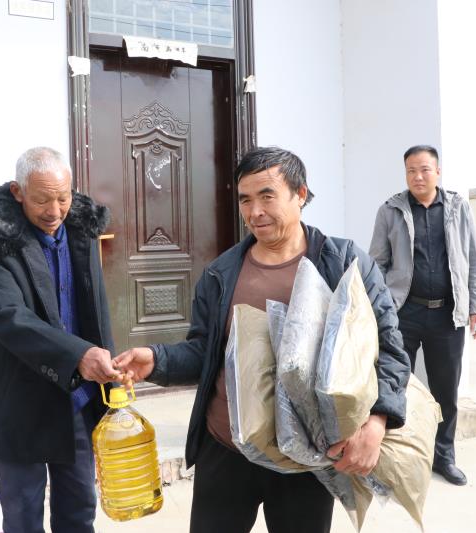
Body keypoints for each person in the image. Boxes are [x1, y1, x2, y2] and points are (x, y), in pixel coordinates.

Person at [113, 146, 410, 533]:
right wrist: (157, 360)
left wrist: (377, 421)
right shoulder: (222, 273)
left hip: (306, 457)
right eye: (245, 200)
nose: (255, 212)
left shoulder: (342, 263)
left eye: (267, 196)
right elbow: (204, 352)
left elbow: (389, 348)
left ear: (300, 194)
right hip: (226, 447)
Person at [0, 147, 120, 532]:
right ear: (18, 192)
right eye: (41, 200)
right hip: (19, 404)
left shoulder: (81, 230)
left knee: (79, 512)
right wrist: (79, 354)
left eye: (62, 198)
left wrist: (109, 374)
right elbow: (7, 316)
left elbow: (94, 312)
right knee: (23, 519)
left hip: (77, 399)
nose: (54, 211)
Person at [369, 145, 476, 486]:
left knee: (445, 391)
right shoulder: (390, 210)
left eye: (424, 169)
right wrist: (380, 309)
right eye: (411, 170)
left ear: (437, 172)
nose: (417, 176)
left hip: (447, 315)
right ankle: (396, 458)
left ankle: (444, 457)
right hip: (403, 314)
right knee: (394, 386)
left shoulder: (458, 208)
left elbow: (474, 261)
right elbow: (377, 264)